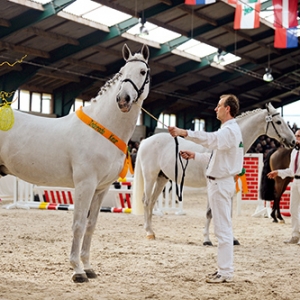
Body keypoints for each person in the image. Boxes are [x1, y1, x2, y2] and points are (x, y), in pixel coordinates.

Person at [168, 94, 244, 284]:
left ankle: (225, 272)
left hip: (220, 183)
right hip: (219, 182)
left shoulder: (228, 131)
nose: (215, 109)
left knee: (223, 230)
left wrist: (183, 132)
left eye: (219, 106)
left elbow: (209, 140)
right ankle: (222, 270)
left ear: (227, 109)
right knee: (222, 228)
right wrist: (194, 156)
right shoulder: (229, 131)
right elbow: (215, 157)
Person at [267, 129, 300, 245]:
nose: (297, 139)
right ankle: (295, 235)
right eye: (296, 136)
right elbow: (291, 170)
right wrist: (278, 172)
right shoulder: (294, 152)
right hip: (295, 181)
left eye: (299, 136)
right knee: (293, 209)